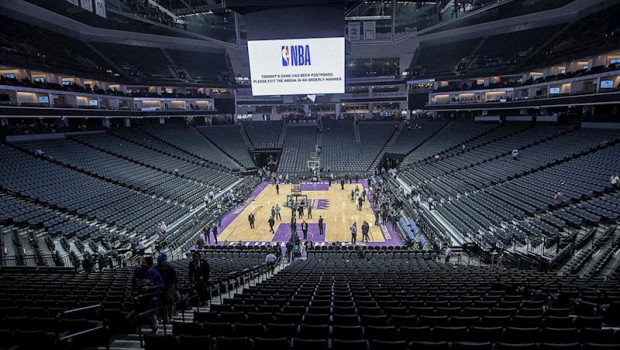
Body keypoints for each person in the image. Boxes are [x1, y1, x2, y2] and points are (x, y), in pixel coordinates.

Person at [133, 256, 163, 333]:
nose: (142, 264)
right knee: (143, 313)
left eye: (144, 262)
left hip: (152, 296)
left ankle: (155, 328)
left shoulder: (155, 273)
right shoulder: (137, 271)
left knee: (151, 313)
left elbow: (160, 285)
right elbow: (134, 283)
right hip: (141, 296)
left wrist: (149, 287)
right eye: (142, 262)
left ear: (149, 264)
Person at [156, 253, 178, 323]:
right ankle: (165, 318)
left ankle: (171, 316)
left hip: (169, 287)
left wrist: (176, 289)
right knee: (163, 304)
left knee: (170, 303)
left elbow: (174, 278)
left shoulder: (169, 268)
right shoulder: (156, 268)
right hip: (160, 289)